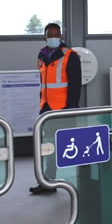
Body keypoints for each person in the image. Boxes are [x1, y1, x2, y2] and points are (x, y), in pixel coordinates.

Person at [30, 23, 81, 194]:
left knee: (67, 147)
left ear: (61, 37)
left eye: (56, 34)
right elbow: (43, 84)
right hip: (46, 108)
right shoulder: (41, 56)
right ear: (44, 37)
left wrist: (71, 109)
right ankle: (48, 181)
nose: (53, 37)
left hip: (63, 108)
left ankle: (80, 180)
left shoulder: (70, 56)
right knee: (48, 146)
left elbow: (75, 86)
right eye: (50, 34)